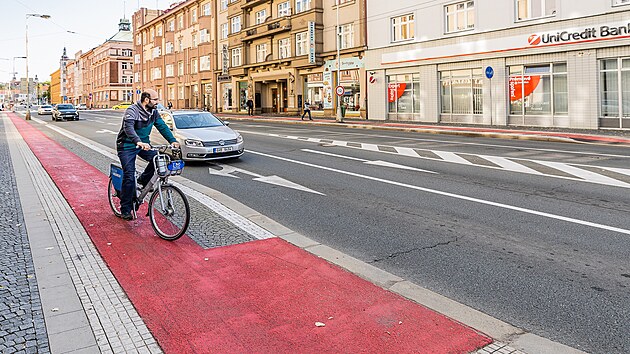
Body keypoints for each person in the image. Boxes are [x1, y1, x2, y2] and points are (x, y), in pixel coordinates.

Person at [116, 89, 180, 221]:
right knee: (128, 175)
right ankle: (125, 209)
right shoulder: (132, 110)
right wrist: (138, 141)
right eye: (155, 99)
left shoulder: (154, 112)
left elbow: (162, 126)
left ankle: (142, 181)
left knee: (158, 159)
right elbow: (129, 128)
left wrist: (172, 140)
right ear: (146, 100)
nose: (158, 102)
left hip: (144, 145)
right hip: (127, 146)